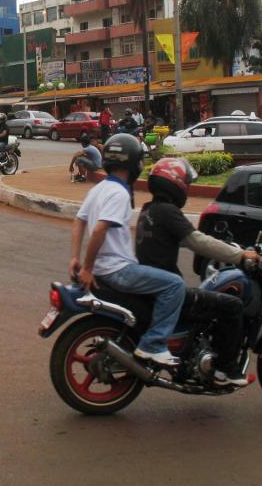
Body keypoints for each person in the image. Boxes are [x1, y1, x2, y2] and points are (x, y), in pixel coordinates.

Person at [136, 157, 260, 386]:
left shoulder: (149, 210)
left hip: (153, 287)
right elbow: (197, 241)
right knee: (232, 306)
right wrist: (240, 255)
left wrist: (221, 245)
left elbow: (179, 240)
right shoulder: (168, 212)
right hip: (169, 291)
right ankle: (225, 371)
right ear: (176, 184)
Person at [69, 134, 185, 367]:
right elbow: (100, 229)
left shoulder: (99, 188)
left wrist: (75, 258)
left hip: (107, 269)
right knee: (175, 285)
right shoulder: (119, 193)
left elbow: (79, 221)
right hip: (118, 270)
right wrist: (87, 267)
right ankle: (153, 345)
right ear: (135, 163)